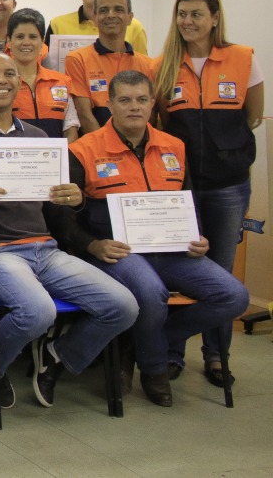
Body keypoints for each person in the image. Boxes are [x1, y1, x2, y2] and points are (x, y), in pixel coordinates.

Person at [0, 52, 137, 409]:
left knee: (123, 306)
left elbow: (54, 206)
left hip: (46, 249)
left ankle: (58, 354)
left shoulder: (40, 137)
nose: (2, 80)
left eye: (10, 73)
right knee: (39, 311)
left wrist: (74, 200)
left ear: (19, 83)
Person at [54, 70, 249, 407]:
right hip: (116, 251)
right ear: (109, 104)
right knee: (149, 291)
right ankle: (155, 367)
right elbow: (61, 220)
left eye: (142, 99)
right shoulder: (83, 150)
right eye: (125, 100)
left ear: (152, 103)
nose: (135, 107)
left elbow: (186, 201)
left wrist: (197, 237)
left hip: (173, 251)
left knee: (233, 296)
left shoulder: (174, 146)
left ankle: (143, 340)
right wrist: (93, 245)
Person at [152, 0, 263, 386]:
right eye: (182, 14)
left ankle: (217, 356)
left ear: (215, 18)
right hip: (178, 188)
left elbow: (253, 116)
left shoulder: (243, 58)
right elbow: (161, 125)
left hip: (228, 185)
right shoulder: (163, 65)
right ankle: (170, 355)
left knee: (221, 272)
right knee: (178, 270)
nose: (188, 21)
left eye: (197, 14)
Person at [64, 0, 152, 134]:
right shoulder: (77, 59)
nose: (111, 15)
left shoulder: (148, 64)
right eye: (104, 10)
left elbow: (150, 114)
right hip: (96, 149)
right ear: (95, 17)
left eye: (118, 9)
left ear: (130, 17)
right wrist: (105, 150)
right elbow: (84, 115)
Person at [6, 8, 79, 141]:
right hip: (14, 159)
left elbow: (70, 128)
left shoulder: (61, 81)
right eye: (20, 36)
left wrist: (62, 159)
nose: (26, 42)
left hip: (55, 159)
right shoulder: (0, 82)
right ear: (9, 41)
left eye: (33, 37)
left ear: (42, 43)